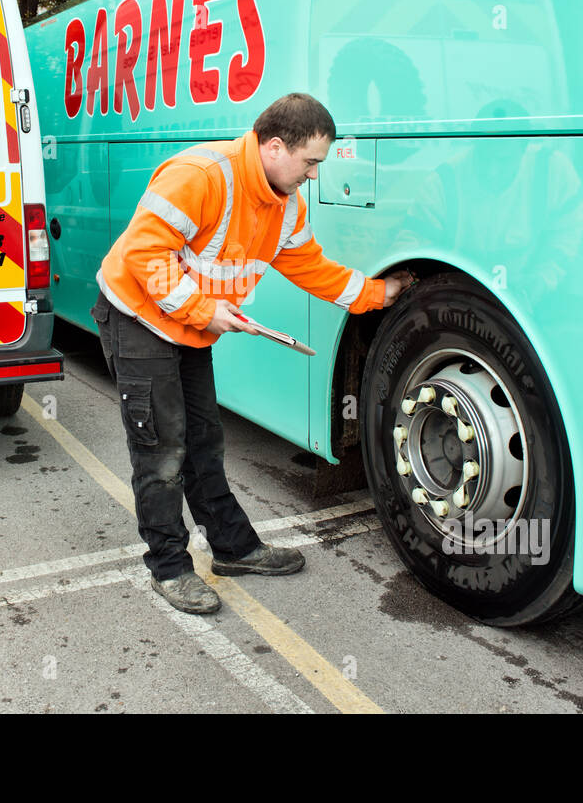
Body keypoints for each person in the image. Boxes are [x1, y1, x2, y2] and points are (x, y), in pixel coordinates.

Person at [91, 93, 414, 614]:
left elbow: (313, 268)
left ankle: (234, 549)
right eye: (310, 161)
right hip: (139, 320)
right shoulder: (200, 175)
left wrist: (380, 294)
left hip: (188, 327)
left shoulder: (285, 205)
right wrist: (203, 309)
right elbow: (144, 256)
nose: (313, 174)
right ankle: (170, 569)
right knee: (162, 451)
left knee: (204, 441)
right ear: (276, 146)